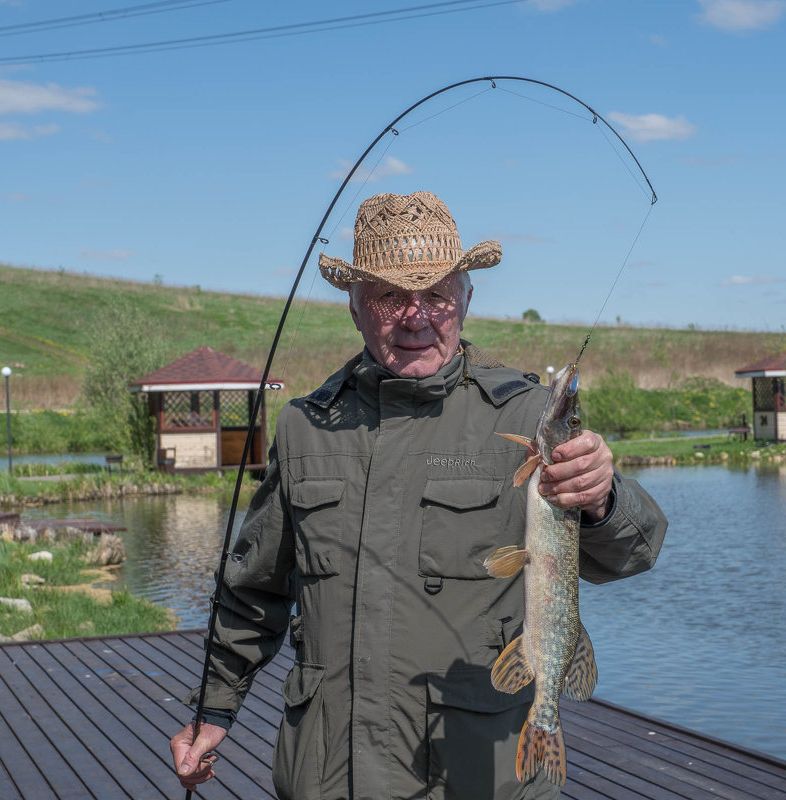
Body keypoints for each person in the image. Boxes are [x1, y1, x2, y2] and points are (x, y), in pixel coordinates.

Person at [168, 191, 668, 800]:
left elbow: (633, 554)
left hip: (478, 779)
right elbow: (255, 590)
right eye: (388, 295)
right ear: (353, 305)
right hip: (328, 777)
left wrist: (602, 497)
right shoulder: (305, 427)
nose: (416, 316)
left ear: (466, 298)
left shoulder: (528, 414)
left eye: (436, 294)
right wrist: (213, 710)